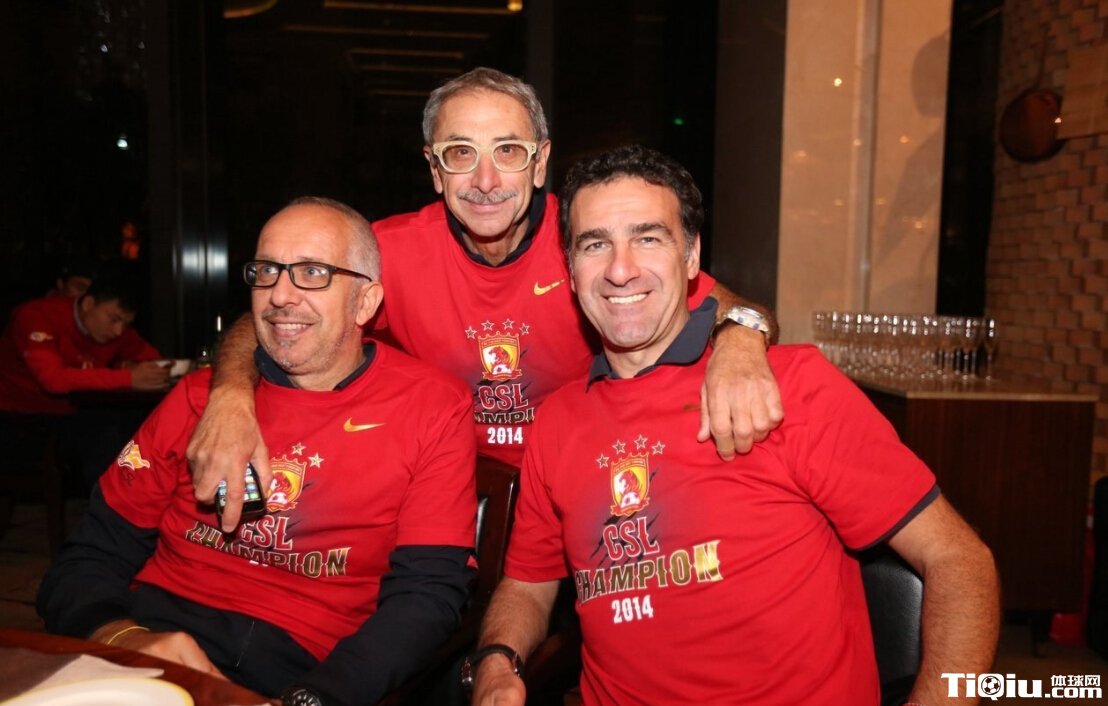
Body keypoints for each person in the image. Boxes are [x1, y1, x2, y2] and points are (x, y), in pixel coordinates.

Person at [469, 146, 1000, 706]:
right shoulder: (557, 421)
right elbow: (528, 584)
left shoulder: (791, 387)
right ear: (571, 271)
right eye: (594, 244)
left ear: (692, 257)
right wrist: (497, 661)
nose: (620, 269)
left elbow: (960, 562)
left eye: (648, 238)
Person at [190, 67, 784, 531]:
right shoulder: (389, 251)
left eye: (507, 151)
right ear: (434, 169)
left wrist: (739, 342)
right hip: (445, 493)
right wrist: (230, 398)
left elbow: (732, 304)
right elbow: (274, 314)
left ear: (540, 162)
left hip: (582, 485)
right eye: (460, 153)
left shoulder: (591, 242)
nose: (485, 180)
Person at [37, 197, 479, 706]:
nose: (280, 295)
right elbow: (86, 558)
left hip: (299, 671)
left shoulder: (431, 407)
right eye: (267, 271)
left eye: (312, 272)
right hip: (152, 643)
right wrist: (124, 637)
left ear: (365, 302)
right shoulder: (198, 399)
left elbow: (427, 596)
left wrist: (316, 697)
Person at [0, 276, 168, 414]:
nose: (118, 331)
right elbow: (53, 380)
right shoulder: (37, 316)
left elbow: (155, 360)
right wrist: (129, 378)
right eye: (114, 319)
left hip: (77, 411)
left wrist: (134, 367)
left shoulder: (118, 328)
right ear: (88, 304)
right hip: (18, 412)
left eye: (126, 324)